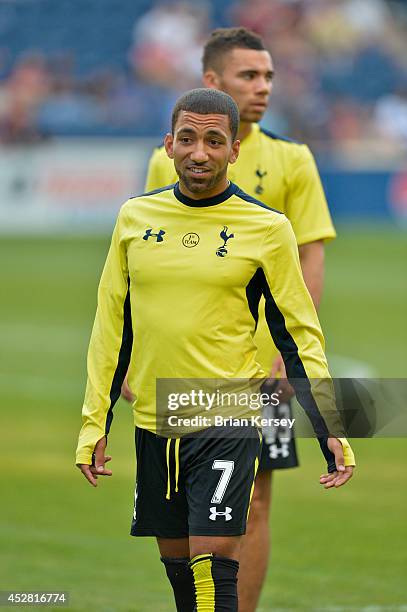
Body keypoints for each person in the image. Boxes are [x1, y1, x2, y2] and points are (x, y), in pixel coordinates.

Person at [76, 88, 354, 612]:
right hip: (157, 416)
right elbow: (111, 325)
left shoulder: (267, 228)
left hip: (228, 411)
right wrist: (96, 423)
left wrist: (330, 427)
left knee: (213, 570)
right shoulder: (134, 219)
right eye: (187, 139)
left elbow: (300, 335)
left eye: (213, 140)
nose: (199, 152)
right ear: (168, 146)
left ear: (233, 151)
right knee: (181, 574)